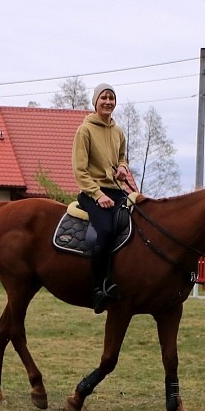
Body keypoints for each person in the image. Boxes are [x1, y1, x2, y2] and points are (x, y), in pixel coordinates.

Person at [73, 82, 138, 313]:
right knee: (108, 231)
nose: (108, 102)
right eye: (104, 98)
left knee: (140, 222)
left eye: (111, 98)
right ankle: (99, 286)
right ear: (95, 102)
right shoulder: (85, 130)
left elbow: (122, 158)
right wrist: (98, 195)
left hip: (116, 190)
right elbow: (79, 170)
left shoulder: (118, 131)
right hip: (92, 192)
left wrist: (122, 168)